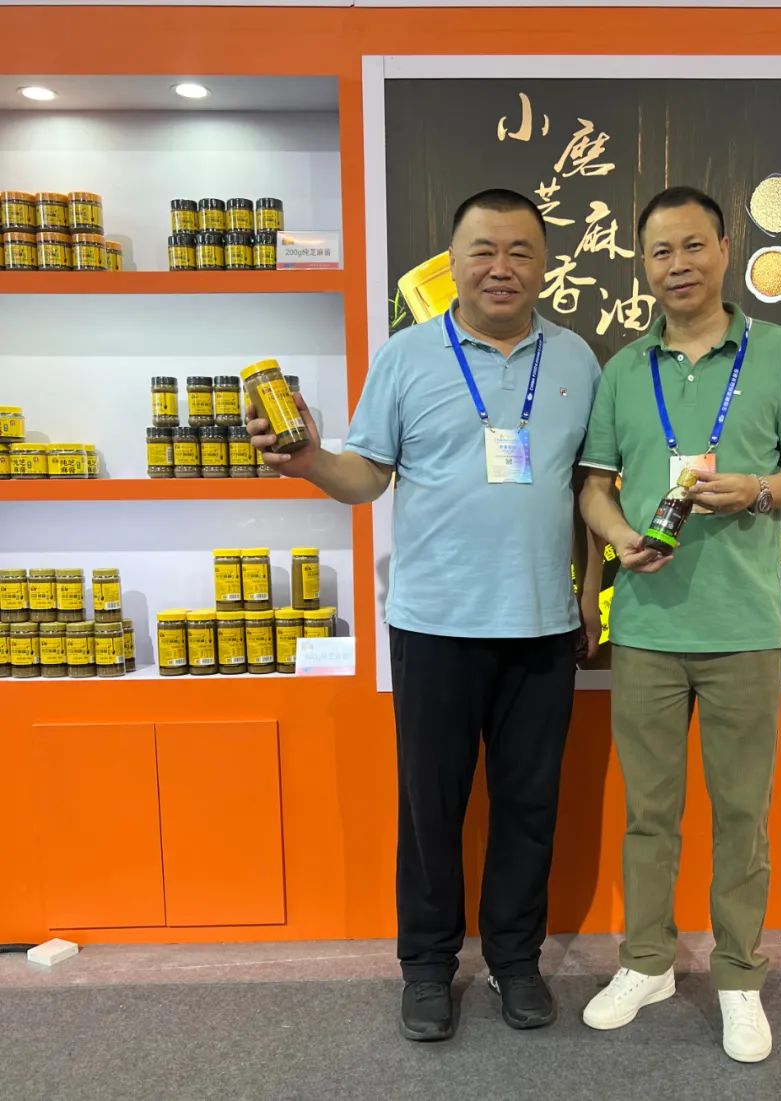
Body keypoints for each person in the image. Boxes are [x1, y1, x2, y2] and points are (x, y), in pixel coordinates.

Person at [247, 189, 602, 1042]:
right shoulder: (405, 356)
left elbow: (591, 487)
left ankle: (515, 959)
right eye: (483, 250)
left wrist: (589, 592)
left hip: (542, 625)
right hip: (435, 624)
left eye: (520, 250)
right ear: (454, 262)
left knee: (529, 805)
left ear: (544, 264)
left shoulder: (578, 359)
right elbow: (366, 476)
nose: (501, 267)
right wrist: (309, 461)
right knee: (430, 808)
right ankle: (428, 967)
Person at [577, 186, 781, 1063]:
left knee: (741, 814)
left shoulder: (778, 353)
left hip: (744, 626)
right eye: (660, 251)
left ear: (726, 249)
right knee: (649, 812)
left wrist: (759, 489)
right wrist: (618, 537)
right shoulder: (623, 368)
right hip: (647, 626)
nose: (677, 264)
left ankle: (737, 977)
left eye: (693, 245)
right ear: (643, 265)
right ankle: (646, 961)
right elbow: (595, 485)